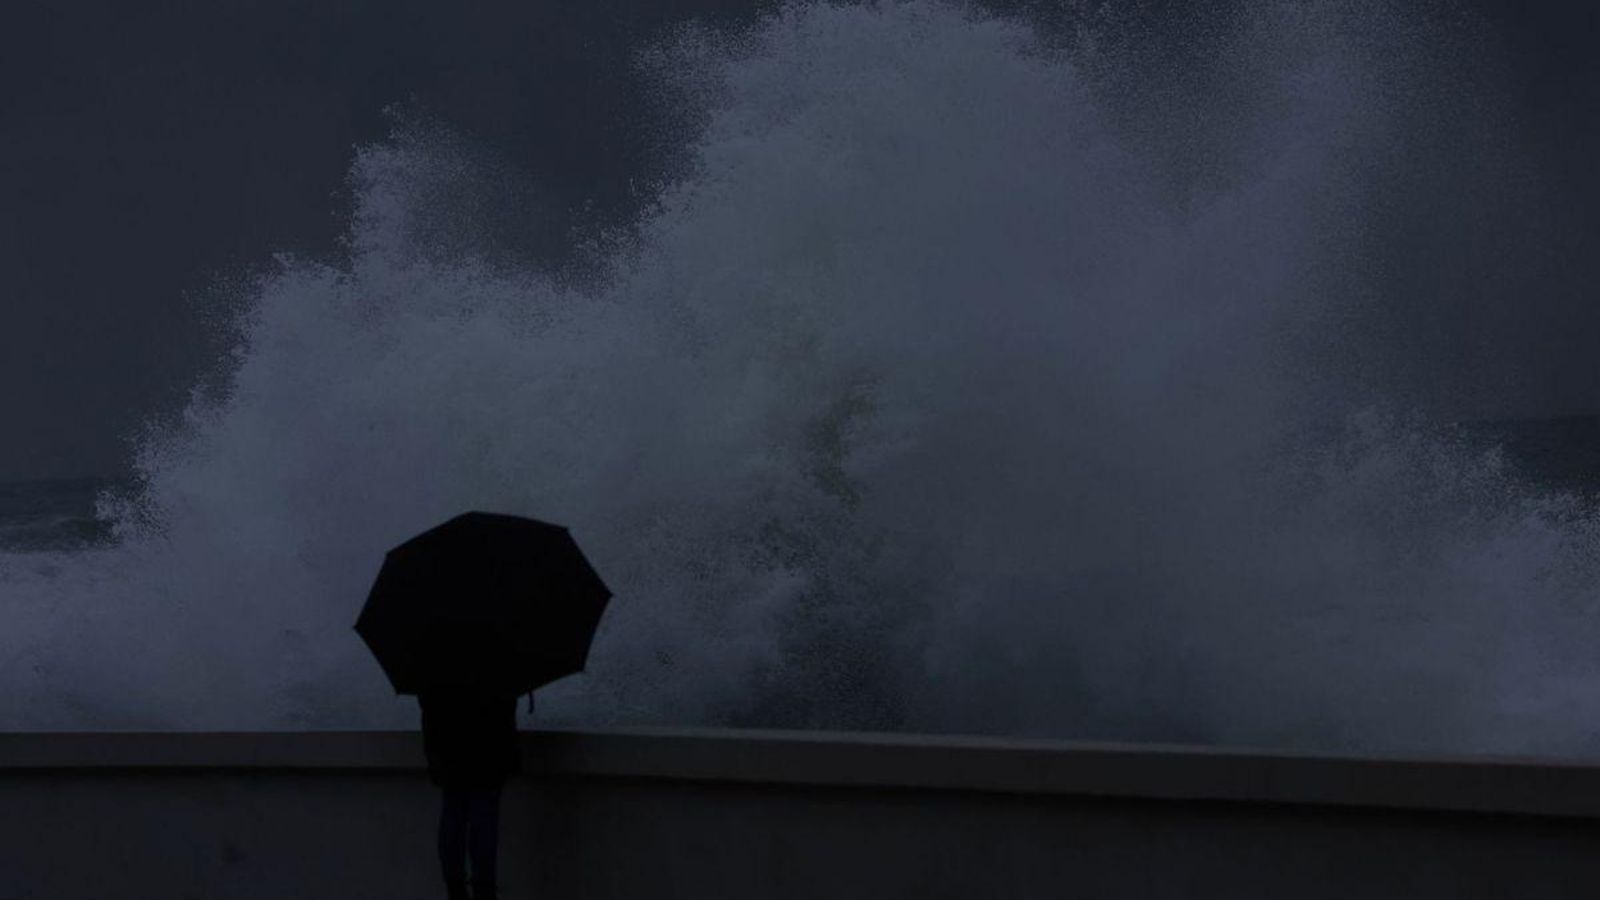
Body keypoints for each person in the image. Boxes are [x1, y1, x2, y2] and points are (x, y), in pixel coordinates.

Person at [418, 688, 526, 900]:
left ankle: (455, 887)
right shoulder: (492, 666)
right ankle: (483, 887)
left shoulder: (434, 665)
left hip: (447, 744)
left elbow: (427, 703)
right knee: (484, 816)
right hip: (488, 744)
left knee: (453, 812)